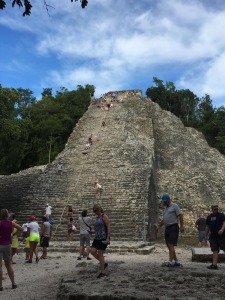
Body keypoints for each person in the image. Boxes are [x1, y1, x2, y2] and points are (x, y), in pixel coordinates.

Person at [158, 194, 184, 267]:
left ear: (169, 200)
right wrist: (159, 226)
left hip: (173, 227)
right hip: (167, 228)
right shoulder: (165, 208)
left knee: (171, 244)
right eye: (163, 201)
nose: (164, 202)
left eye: (165, 201)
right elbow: (164, 219)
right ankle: (176, 261)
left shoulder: (174, 206)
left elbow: (180, 215)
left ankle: (170, 261)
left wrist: (182, 226)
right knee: (169, 246)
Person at [0, 209, 22, 291]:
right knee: (8, 265)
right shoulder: (11, 223)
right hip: (8, 245)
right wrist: (12, 233)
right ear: (7, 215)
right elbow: (21, 228)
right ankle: (13, 283)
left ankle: (0, 286)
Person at [91, 204, 110, 278]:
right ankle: (104, 264)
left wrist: (108, 238)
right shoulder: (97, 218)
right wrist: (92, 232)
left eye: (95, 210)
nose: (94, 212)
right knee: (92, 251)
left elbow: (108, 226)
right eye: (94, 211)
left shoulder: (104, 216)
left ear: (99, 209)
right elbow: (97, 229)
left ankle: (102, 272)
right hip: (97, 237)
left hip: (103, 237)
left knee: (100, 253)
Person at [205, 205, 225, 270]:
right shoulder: (209, 217)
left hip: (221, 236)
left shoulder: (221, 215)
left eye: (217, 209)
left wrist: (222, 229)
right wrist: (206, 235)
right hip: (213, 236)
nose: (216, 210)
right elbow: (207, 226)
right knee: (215, 250)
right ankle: (214, 265)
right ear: (212, 209)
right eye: (215, 209)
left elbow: (224, 223)